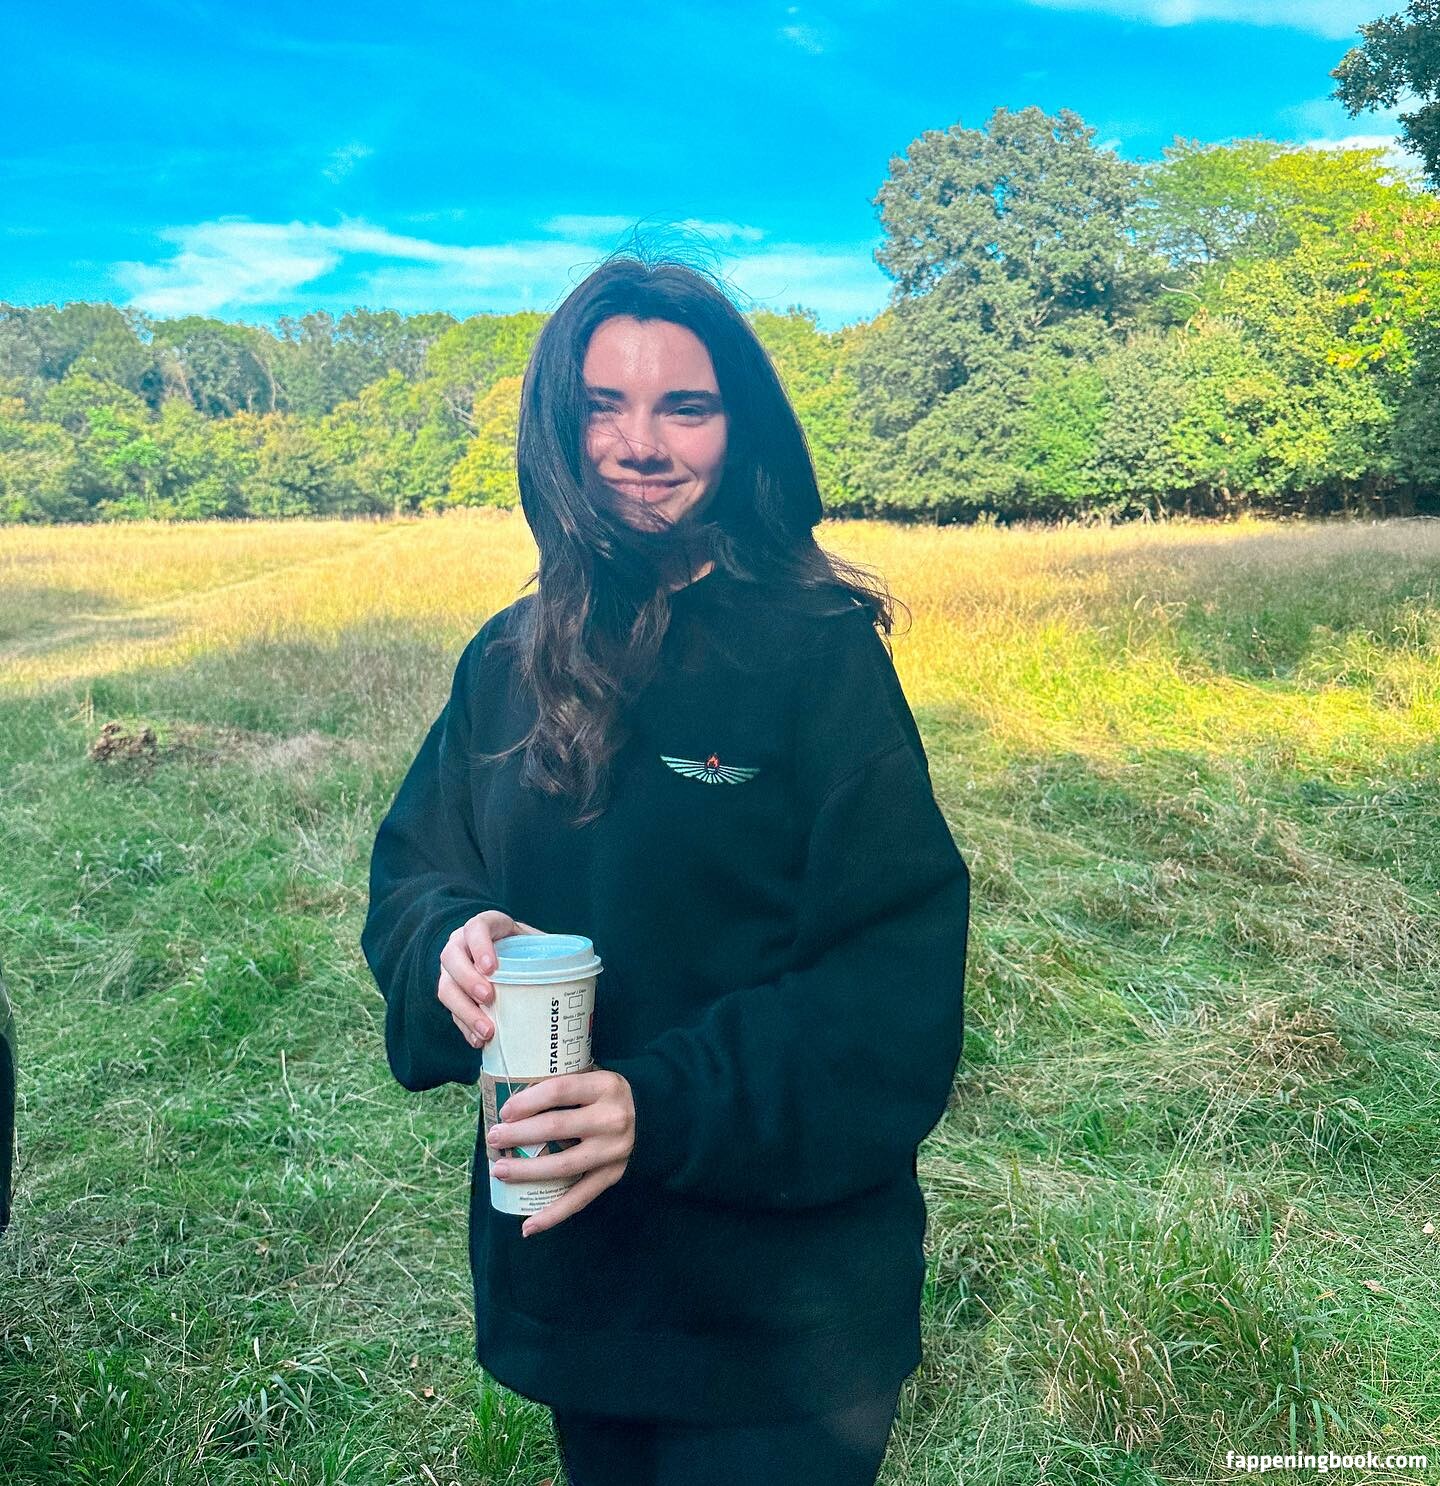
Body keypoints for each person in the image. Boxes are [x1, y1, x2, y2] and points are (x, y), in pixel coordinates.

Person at [360, 250, 971, 1486]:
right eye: (604, 406)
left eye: (684, 406)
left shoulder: (817, 654)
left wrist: (660, 1103)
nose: (640, 444)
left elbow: (892, 980)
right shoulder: (508, 659)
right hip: (578, 1278)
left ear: (740, 430)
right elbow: (416, 869)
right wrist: (449, 942)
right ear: (557, 425)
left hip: (781, 1310)